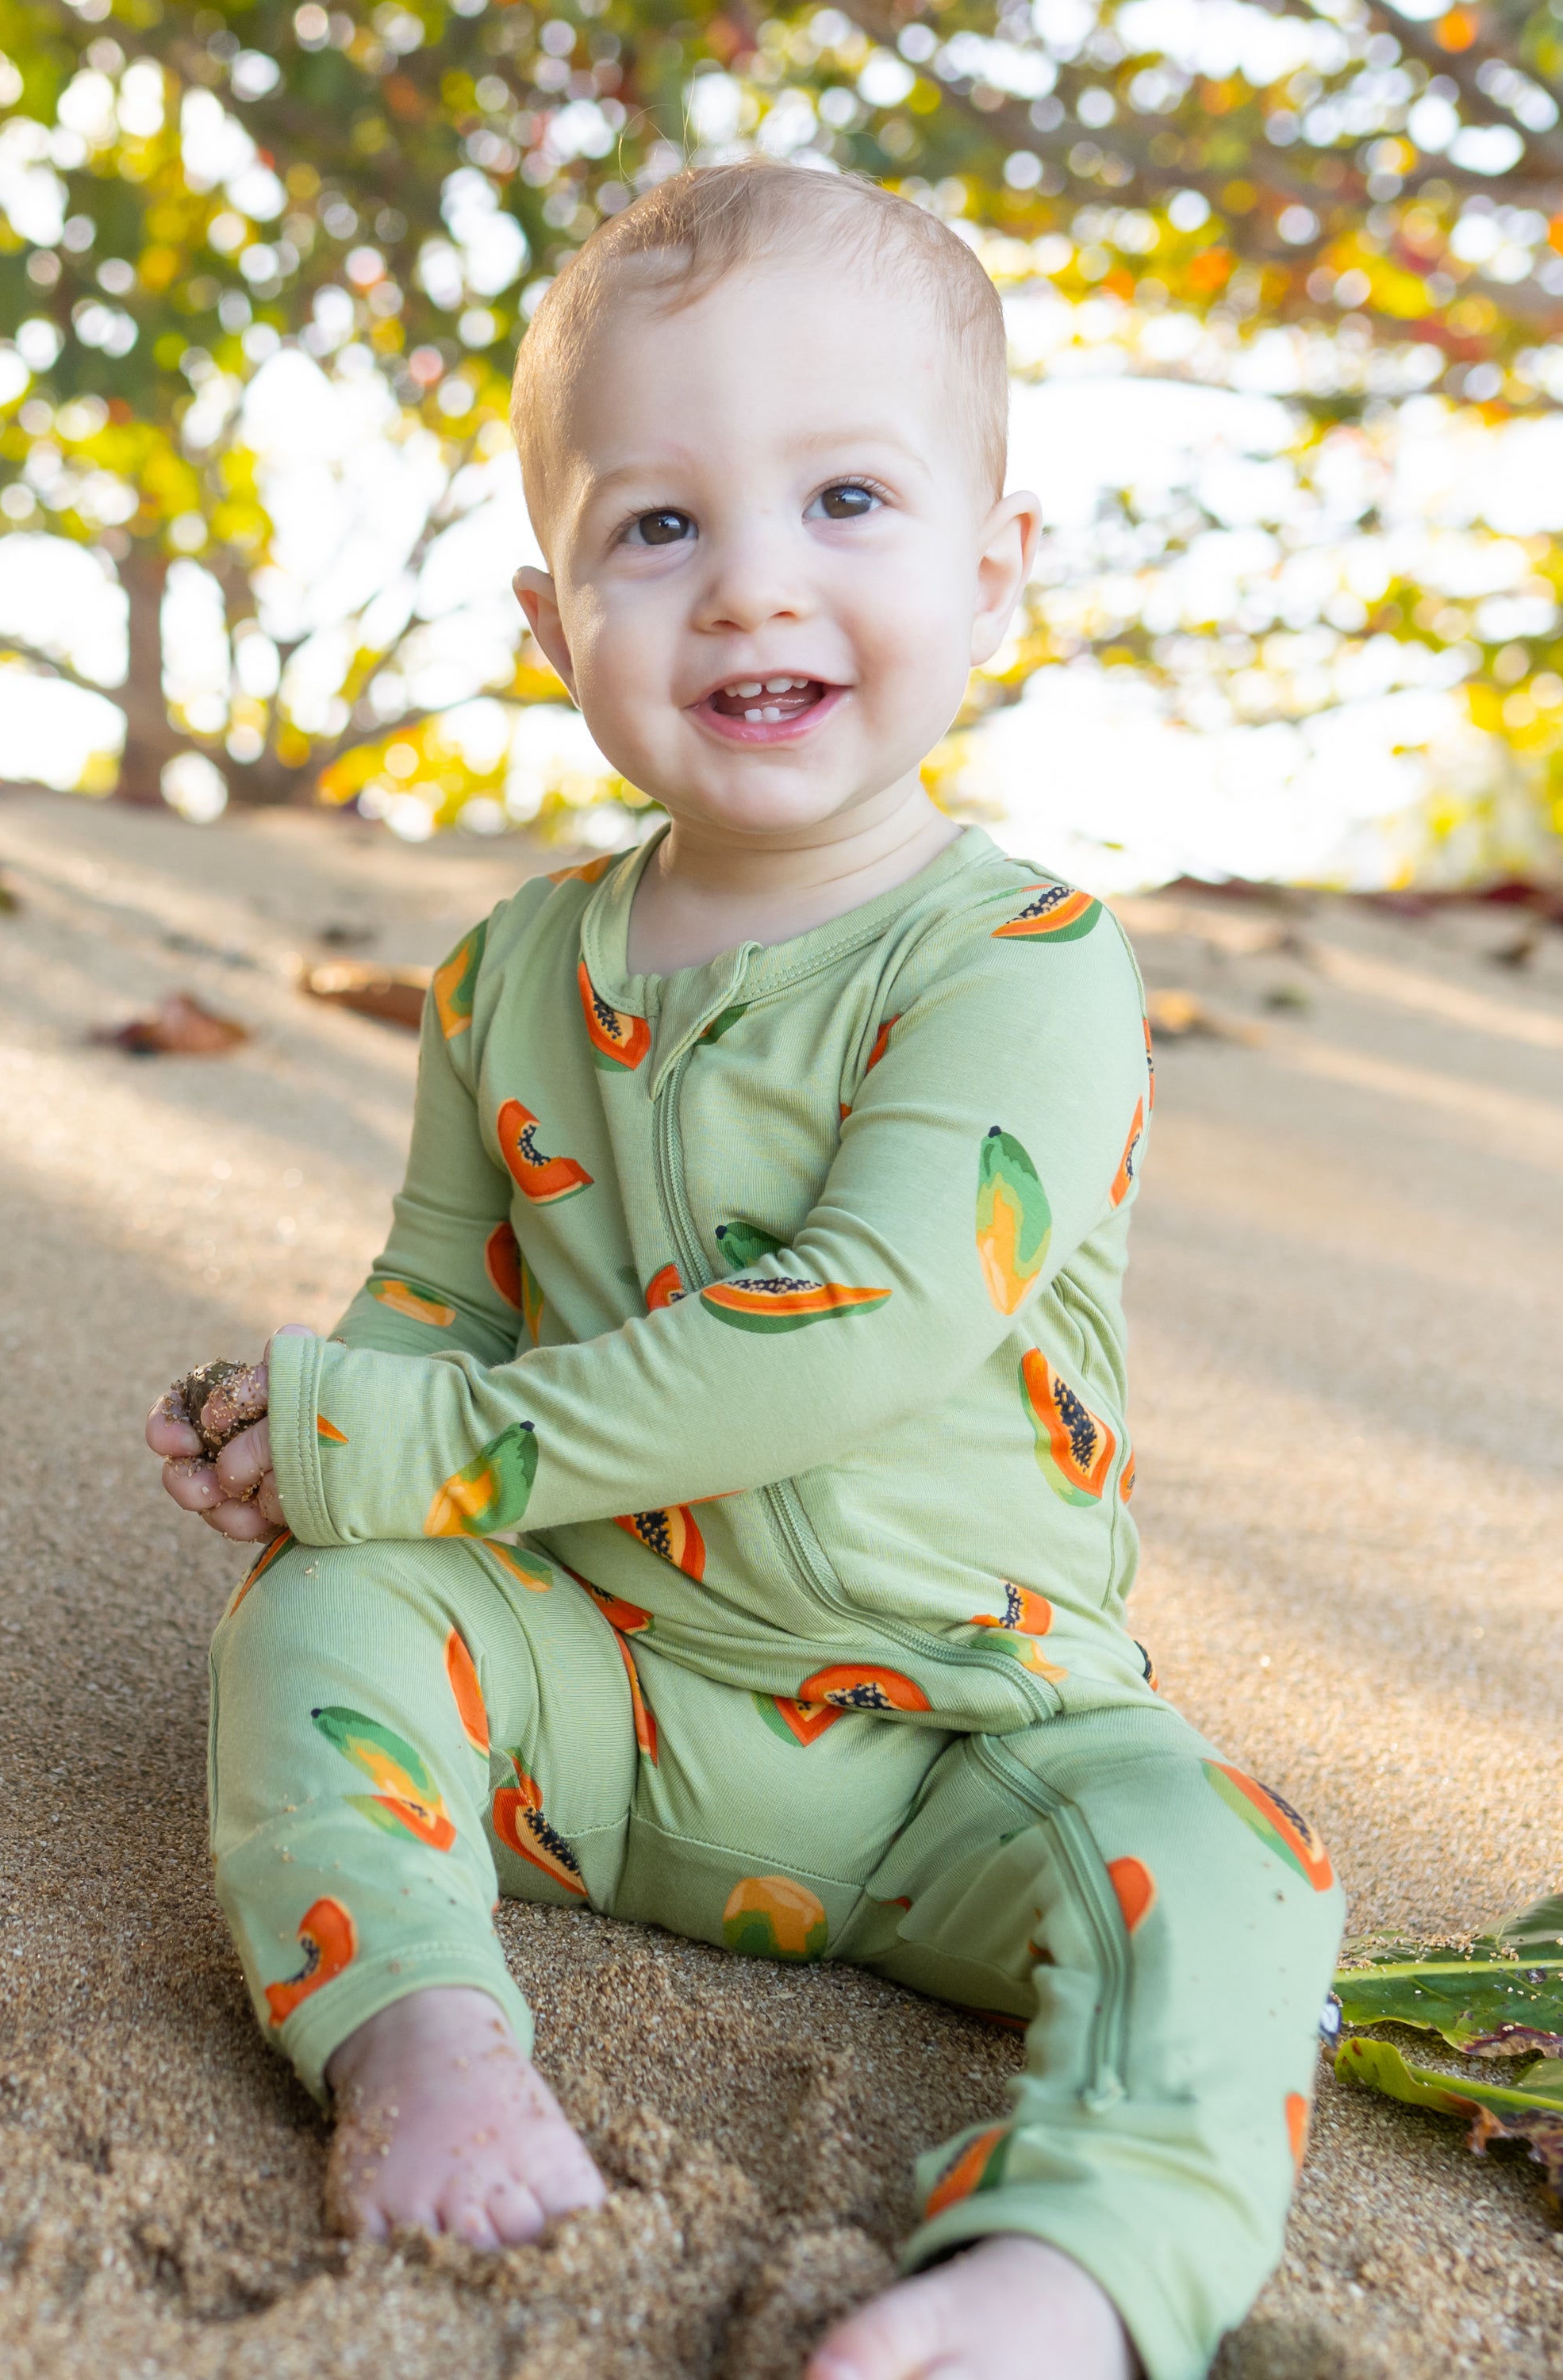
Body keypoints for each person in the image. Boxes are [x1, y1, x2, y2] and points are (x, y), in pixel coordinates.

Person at [145, 159, 1342, 2380]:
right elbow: (444, 1301)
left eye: (849, 500)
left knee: (1237, 1862)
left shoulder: (1026, 965)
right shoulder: (509, 971)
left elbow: (862, 1326)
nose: (749, 588)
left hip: (961, 1746)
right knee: (321, 1624)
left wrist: (417, 1440)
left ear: (996, 576)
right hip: (600, 1681)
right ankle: (414, 2028)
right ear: (552, 618)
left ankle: (1078, 2274)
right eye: (660, 527)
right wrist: (335, 1466)